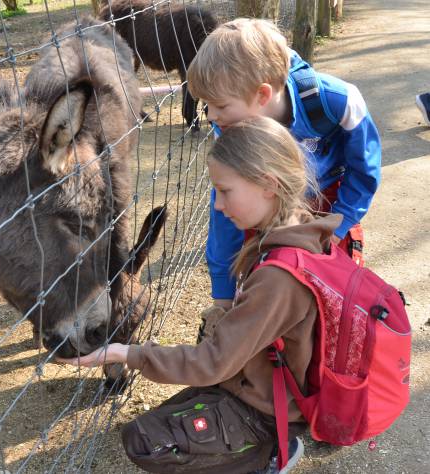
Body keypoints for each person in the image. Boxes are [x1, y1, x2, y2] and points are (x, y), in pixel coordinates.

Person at [58, 117, 340, 473]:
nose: (219, 205)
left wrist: (123, 352)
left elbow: (212, 362)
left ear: (268, 185)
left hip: (268, 408)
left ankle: (268, 454)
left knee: (145, 441)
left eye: (225, 191)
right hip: (256, 382)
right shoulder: (294, 229)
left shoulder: (278, 277)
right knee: (158, 422)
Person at [185, 18, 381, 324]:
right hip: (268, 199)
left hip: (327, 200)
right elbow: (224, 212)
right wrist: (223, 297)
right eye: (207, 106)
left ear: (262, 96)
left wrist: (337, 228)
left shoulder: (337, 103)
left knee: (330, 286)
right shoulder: (230, 126)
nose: (211, 116)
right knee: (267, 277)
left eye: (219, 106)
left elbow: (363, 172)